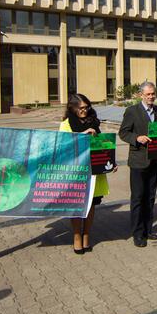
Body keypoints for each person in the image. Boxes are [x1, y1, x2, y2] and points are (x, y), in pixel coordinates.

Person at [60, 93, 112, 254]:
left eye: (86, 107)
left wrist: (111, 161)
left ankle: (86, 235)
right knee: (77, 205)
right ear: (72, 108)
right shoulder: (66, 124)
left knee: (90, 205)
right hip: (76, 172)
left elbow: (102, 144)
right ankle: (76, 236)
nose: (84, 110)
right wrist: (82, 135)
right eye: (81, 108)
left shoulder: (93, 121)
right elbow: (63, 146)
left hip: (94, 170)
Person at [118, 82, 157, 247]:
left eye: (153, 94)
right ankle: (137, 233)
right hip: (138, 161)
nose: (151, 97)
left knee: (150, 197)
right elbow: (123, 132)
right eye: (148, 94)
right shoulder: (132, 111)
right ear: (141, 95)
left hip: (154, 159)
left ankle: (148, 229)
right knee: (138, 197)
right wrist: (137, 138)